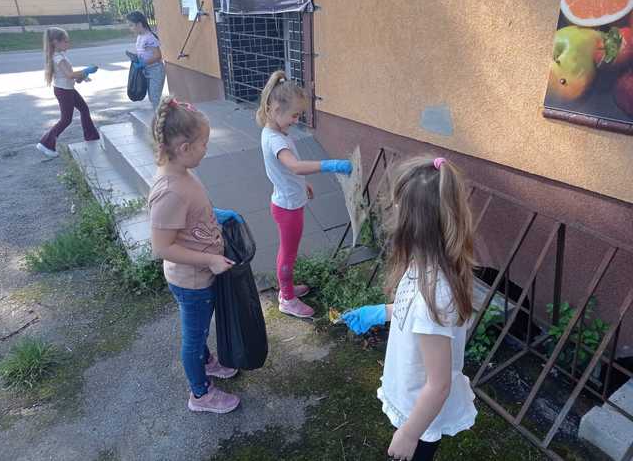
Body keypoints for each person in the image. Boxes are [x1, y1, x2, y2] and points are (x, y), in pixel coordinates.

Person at [342, 157, 478, 461]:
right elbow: (410, 311)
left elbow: (439, 384)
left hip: (421, 415)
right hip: (412, 399)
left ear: (413, 225)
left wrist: (408, 434)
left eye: (397, 209)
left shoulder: (435, 298)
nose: (392, 215)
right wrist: (381, 311)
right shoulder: (426, 263)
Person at [149, 95, 243, 413]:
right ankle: (200, 394)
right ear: (185, 148)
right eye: (204, 143)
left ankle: (207, 361)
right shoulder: (169, 190)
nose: (207, 149)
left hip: (199, 275)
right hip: (192, 281)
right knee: (193, 336)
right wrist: (210, 259)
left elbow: (189, 215)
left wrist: (217, 213)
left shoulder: (184, 174)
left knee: (199, 328)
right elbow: (162, 246)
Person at [257, 70, 353, 318]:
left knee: (289, 251)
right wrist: (329, 165)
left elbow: (290, 170)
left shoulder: (275, 133)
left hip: (287, 200)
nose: (296, 120)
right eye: (294, 115)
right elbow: (294, 165)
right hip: (287, 208)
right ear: (276, 109)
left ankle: (287, 289)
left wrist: (303, 183)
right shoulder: (276, 141)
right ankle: (286, 299)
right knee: (288, 254)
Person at [37, 27, 99, 158]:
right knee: (66, 120)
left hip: (68, 89)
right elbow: (69, 75)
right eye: (65, 41)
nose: (68, 44)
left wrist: (82, 76)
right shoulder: (57, 58)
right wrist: (86, 71)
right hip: (64, 91)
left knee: (84, 109)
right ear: (55, 42)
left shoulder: (60, 55)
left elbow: (70, 76)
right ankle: (46, 143)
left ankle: (92, 137)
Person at [126, 11, 165, 108]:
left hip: (155, 70)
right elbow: (144, 53)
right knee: (152, 97)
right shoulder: (140, 37)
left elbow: (158, 55)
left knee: (154, 97)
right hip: (146, 70)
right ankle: (160, 118)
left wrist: (143, 63)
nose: (130, 28)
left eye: (131, 25)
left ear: (139, 24)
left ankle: (162, 120)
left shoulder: (149, 37)